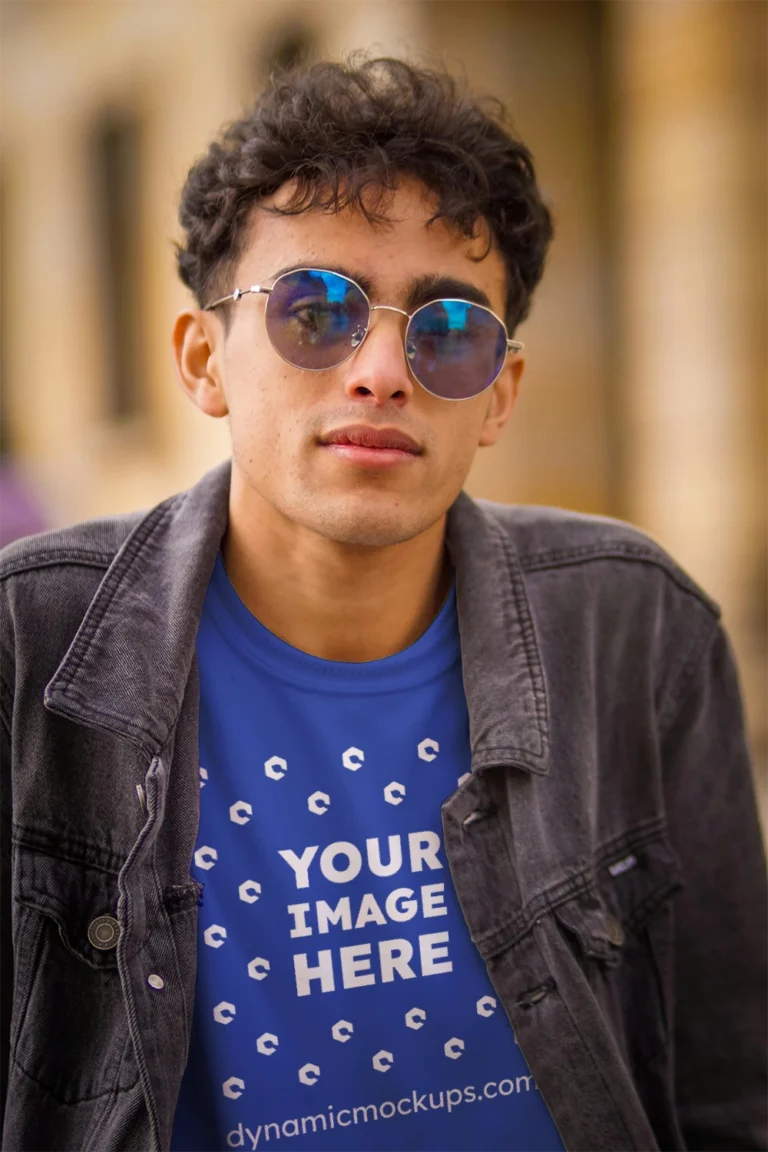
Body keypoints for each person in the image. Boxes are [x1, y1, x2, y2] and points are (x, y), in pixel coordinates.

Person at [1, 57, 766, 1152]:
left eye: (449, 330)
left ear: (499, 393)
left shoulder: (634, 627)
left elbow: (728, 1093)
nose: (381, 369)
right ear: (204, 358)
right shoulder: (29, 646)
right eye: (316, 311)